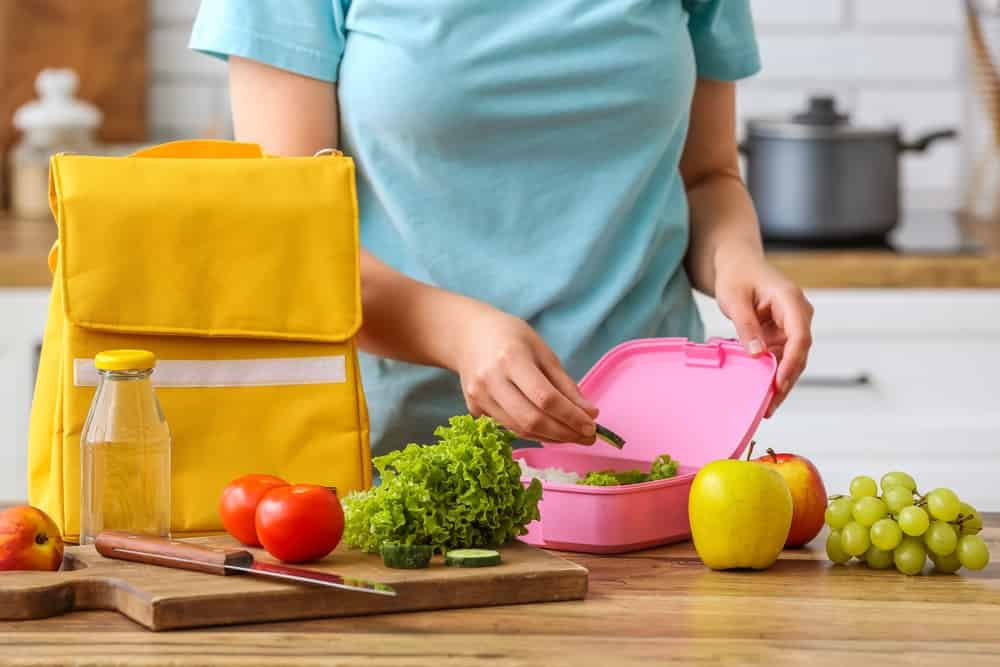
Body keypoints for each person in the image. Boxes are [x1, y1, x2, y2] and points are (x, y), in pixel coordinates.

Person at [190, 0, 813, 456]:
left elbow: (706, 177)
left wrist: (740, 264)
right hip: (394, 468)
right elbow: (293, 235)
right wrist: (458, 333)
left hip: (650, 455)